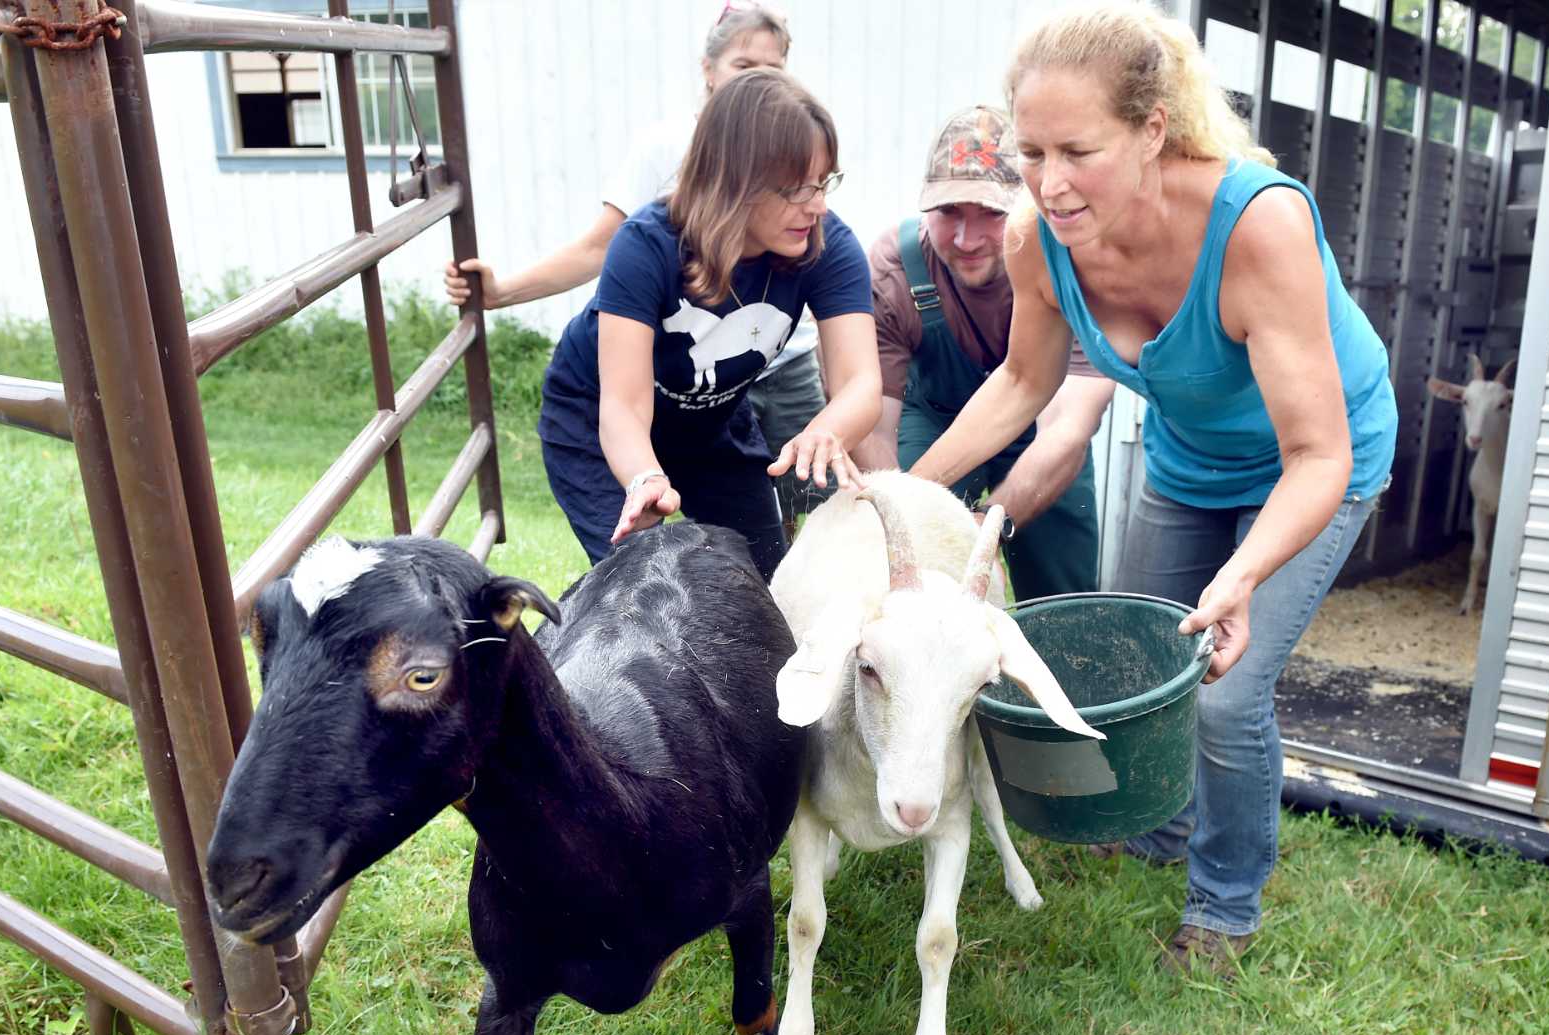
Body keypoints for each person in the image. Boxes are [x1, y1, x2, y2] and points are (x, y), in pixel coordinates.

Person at [907, 4, 1397, 973]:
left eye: (1077, 151)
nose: (1048, 182)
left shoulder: (1258, 222)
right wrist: (899, 491)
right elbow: (1020, 385)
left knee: (1222, 691)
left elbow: (1316, 455)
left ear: (1151, 131)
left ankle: (1223, 902)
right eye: (1031, 151)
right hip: (1188, 461)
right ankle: (1161, 828)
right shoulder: (1036, 238)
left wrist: (1242, 575)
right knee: (1143, 665)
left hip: (1315, 465)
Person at [442, 4, 831, 510]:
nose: (756, 79)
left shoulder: (799, 150)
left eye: (772, 69)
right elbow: (603, 246)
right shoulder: (666, 150)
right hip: (678, 366)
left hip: (776, 355)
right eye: (742, 65)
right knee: (644, 529)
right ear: (709, 69)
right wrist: (504, 292)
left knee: (806, 502)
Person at [532, 69, 878, 579]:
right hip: (596, 417)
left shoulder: (827, 245)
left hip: (711, 419)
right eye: (796, 189)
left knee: (764, 580)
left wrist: (829, 428)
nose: (818, 205)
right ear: (731, 178)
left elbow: (861, 383)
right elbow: (623, 405)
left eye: (824, 183)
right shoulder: (645, 244)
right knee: (640, 583)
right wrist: (644, 476)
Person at [859, 105, 1115, 601]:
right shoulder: (893, 269)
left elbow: (1067, 431)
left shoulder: (1077, 264)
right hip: (935, 418)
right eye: (949, 212)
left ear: (1025, 204)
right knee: (913, 561)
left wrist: (991, 525)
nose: (966, 239)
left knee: (1065, 593)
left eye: (991, 215)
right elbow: (875, 426)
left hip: (1044, 430)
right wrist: (902, 515)